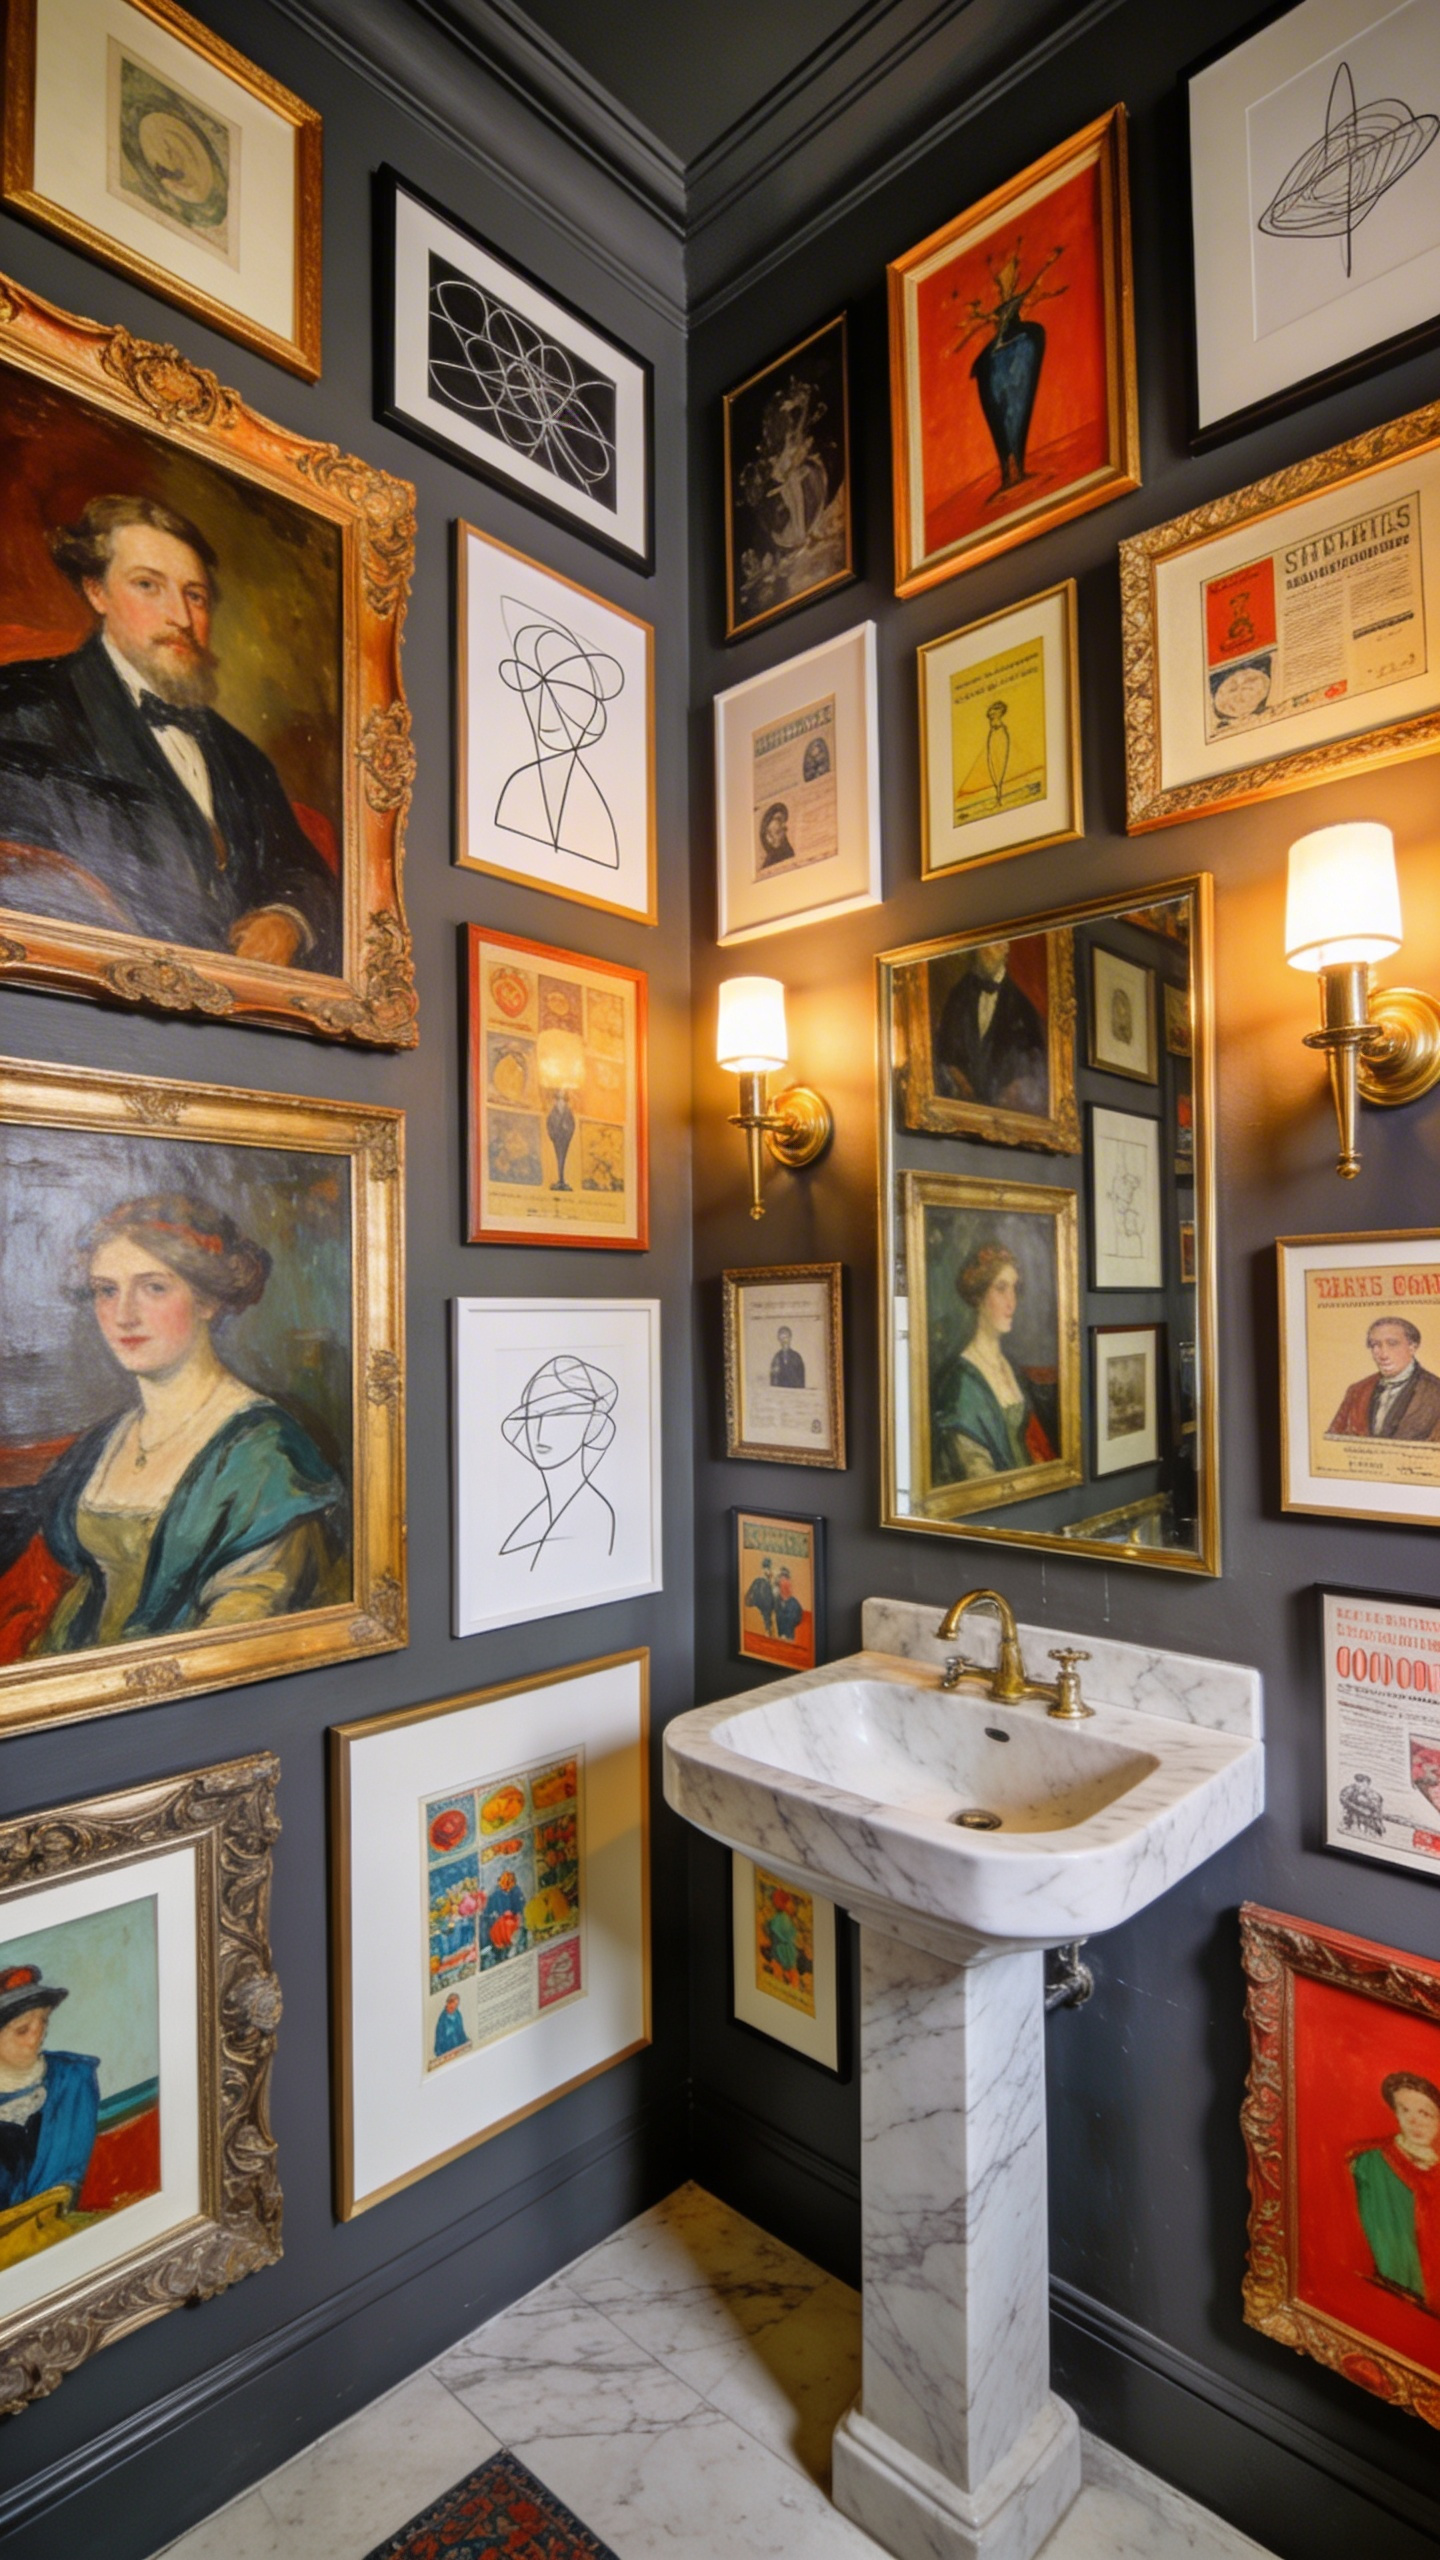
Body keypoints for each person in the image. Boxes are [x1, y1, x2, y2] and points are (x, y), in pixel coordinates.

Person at [0, 1192, 347, 1657]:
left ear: (207, 1300)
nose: (123, 1315)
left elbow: (246, 1628)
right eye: (107, 1290)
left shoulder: (264, 1453)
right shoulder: (104, 1443)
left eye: (154, 1287)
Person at [0, 494, 339, 969]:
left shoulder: (240, 753)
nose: (180, 618)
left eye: (194, 595)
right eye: (147, 585)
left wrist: (286, 919)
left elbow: (306, 873)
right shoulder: (22, 706)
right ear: (96, 590)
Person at [0, 1962, 100, 2270]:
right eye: (22, 2030)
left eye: (43, 2022)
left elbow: (66, 2177)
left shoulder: (73, 2079)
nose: (38, 2036)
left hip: (53, 2233)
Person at [935, 1242, 1055, 1481]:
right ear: (979, 1295)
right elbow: (974, 1472)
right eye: (1001, 1288)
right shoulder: (960, 1382)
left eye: (1014, 1288)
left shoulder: (1011, 1366)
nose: (1012, 1302)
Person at [1350, 2072, 1440, 2309]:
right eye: (1405, 2110)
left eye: (1425, 2113)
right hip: (1393, 2298)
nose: (1415, 2122)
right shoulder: (1370, 2165)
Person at [933, 942, 1047, 1116]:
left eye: (992, 946)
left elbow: (1036, 1061)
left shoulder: (1021, 1004)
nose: (983, 952)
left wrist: (1019, 1086)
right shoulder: (959, 994)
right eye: (981, 947)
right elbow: (942, 1049)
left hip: (1004, 1111)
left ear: (1005, 951)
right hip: (961, 1106)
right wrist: (956, 1077)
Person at [1328, 1317, 1440, 1442]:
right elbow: (1332, 1442)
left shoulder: (1435, 1391)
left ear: (1412, 1347)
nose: (1382, 1355)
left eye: (1392, 1344)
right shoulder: (1357, 1390)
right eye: (1375, 1345)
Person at [757, 802, 796, 870]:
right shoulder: (767, 864)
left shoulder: (788, 854)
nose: (784, 826)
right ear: (767, 824)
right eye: (779, 819)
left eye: (784, 821)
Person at [432, 1993, 470, 2060]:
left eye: (456, 2006)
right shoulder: (442, 2021)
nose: (454, 2009)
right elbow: (439, 2042)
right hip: (447, 2052)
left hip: (458, 2050)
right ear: (447, 2004)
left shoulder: (458, 2015)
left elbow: (461, 2032)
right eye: (452, 2007)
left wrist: (466, 2041)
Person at [744, 1558, 776, 1632]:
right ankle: (768, 1629)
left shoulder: (759, 1580)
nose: (767, 1570)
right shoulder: (762, 1580)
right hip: (763, 1603)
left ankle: (768, 1628)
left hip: (760, 1603)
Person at [773, 1568, 803, 1642]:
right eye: (781, 1581)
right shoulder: (776, 1602)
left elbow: (796, 1620)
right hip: (777, 1639)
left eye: (786, 1580)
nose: (784, 1584)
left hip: (789, 1641)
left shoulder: (795, 1605)